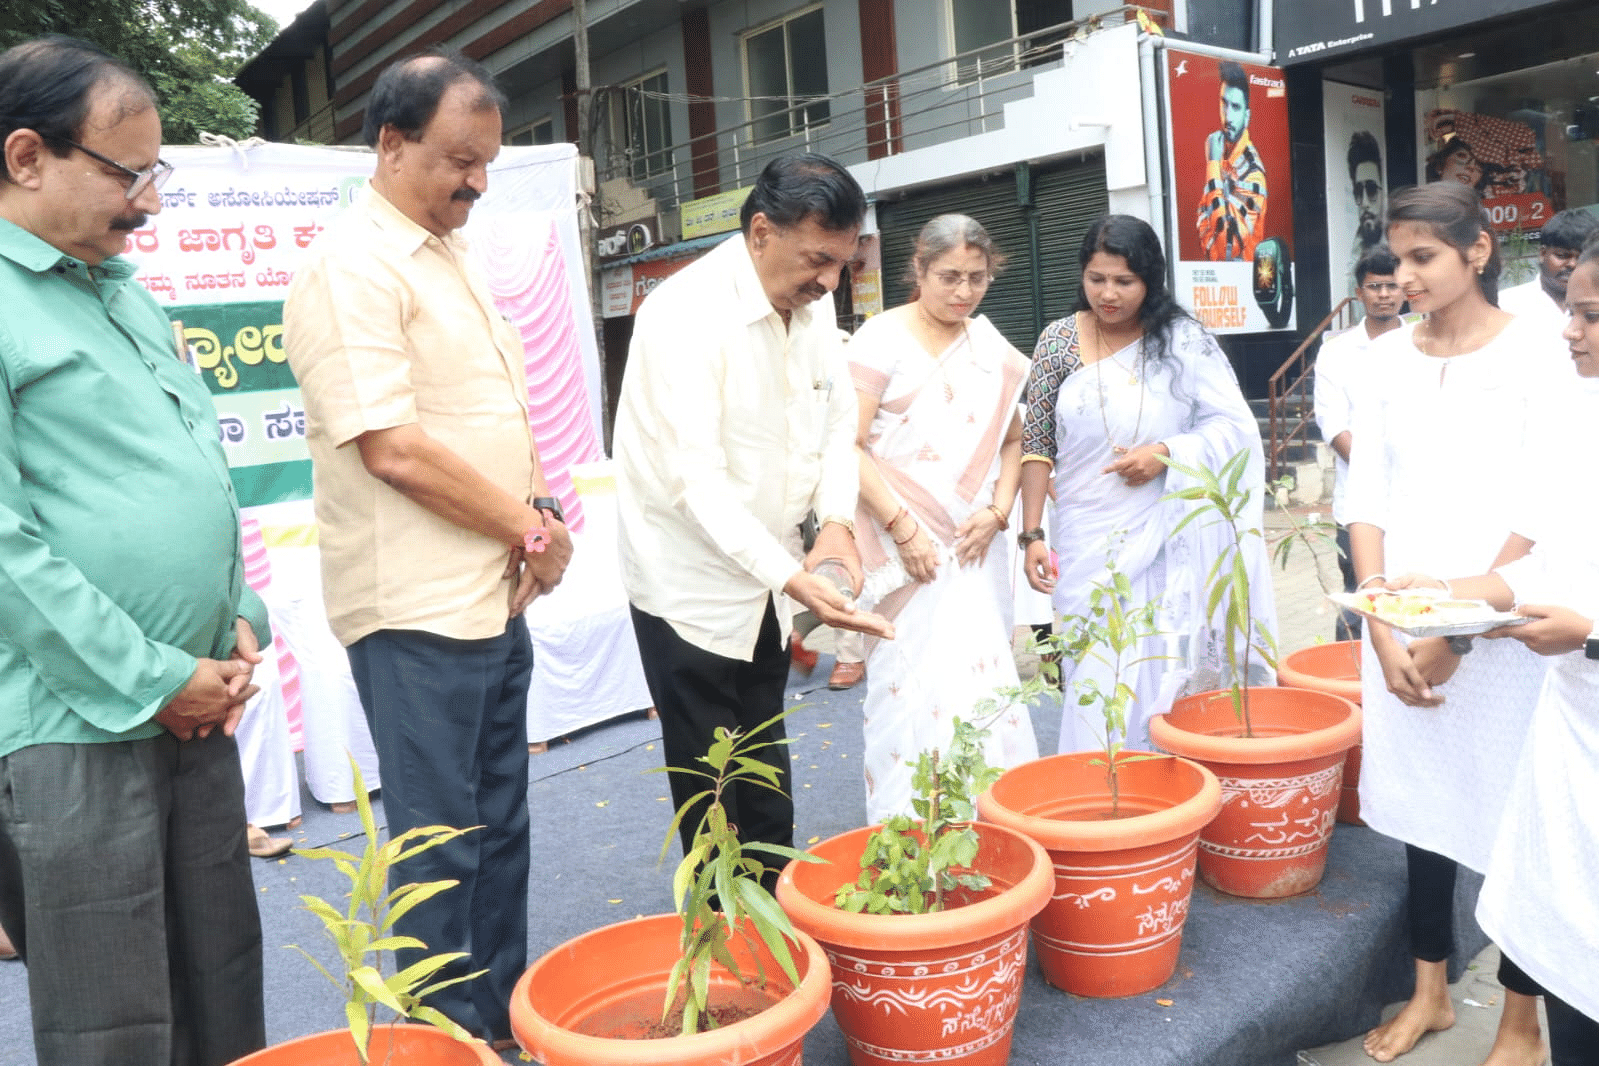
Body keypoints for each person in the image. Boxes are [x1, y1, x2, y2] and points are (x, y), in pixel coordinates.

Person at [283, 47, 571, 1048]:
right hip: (414, 613)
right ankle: (443, 1042)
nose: (477, 184)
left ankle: (496, 1030)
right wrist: (531, 528)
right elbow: (395, 448)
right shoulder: (350, 267)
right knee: (441, 852)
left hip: (492, 595)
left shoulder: (447, 255)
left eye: (488, 163)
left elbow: (489, 421)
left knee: (501, 835)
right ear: (392, 143)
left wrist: (539, 515)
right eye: (459, 160)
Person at [0, 35, 268, 1064]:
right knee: (113, 1016)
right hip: (77, 722)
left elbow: (199, 468)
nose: (149, 204)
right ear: (27, 156)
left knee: (221, 978)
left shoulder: (123, 293)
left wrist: (237, 614)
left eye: (157, 175)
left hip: (195, 707)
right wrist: (153, 676)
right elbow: (7, 551)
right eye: (128, 174)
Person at [615, 153, 893, 873]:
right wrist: (798, 580)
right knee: (710, 789)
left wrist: (834, 521)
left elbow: (834, 422)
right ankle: (723, 950)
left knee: (763, 763)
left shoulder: (810, 297)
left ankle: (775, 919)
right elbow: (695, 484)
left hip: (768, 579)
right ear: (761, 231)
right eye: (816, 260)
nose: (829, 280)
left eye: (840, 262)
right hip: (689, 586)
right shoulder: (682, 316)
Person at [1343, 182, 1556, 1066]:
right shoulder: (1385, 360)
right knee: (1422, 809)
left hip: (1503, 629)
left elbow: (1548, 504)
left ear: (1476, 251)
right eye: (1397, 259)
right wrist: (1383, 628)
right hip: (1395, 625)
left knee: (1523, 818)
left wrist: (1458, 629)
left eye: (1423, 256)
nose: (1405, 275)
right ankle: (1430, 990)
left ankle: (1517, 1017)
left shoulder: (1540, 351)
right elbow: (1364, 499)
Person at [1382, 239, 1599, 1066]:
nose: (1567, 329)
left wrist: (1588, 633)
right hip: (1570, 735)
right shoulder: (1584, 418)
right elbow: (1550, 561)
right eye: (1568, 308)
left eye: (1586, 314)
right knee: (1568, 960)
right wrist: (1443, 593)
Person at [1018, 214, 1274, 755]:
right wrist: (1032, 533)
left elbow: (1235, 427)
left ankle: (1169, 785)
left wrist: (1166, 454)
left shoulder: (1181, 340)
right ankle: (1100, 782)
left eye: (1124, 282)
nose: (1107, 294)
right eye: (1096, 278)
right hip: (1088, 534)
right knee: (1097, 667)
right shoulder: (1057, 341)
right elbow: (1036, 443)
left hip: (1165, 538)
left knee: (1160, 660)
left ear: (1150, 280)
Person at [846, 214, 1039, 822]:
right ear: (920, 270)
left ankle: (990, 823)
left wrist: (999, 510)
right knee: (905, 686)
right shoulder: (879, 339)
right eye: (949, 276)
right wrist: (904, 530)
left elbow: (1015, 439)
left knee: (980, 682)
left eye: (977, 278)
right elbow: (845, 445)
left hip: (972, 546)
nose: (963, 292)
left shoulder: (992, 351)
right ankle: (907, 829)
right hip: (898, 542)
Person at [1313, 246, 1408, 641]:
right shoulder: (1336, 351)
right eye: (1375, 287)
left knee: (1411, 594)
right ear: (1358, 293)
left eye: (1391, 286)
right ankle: (1351, 686)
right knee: (1359, 599)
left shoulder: (1422, 342)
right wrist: (1377, 473)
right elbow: (1332, 423)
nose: (1384, 294)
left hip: (1414, 496)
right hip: (1356, 502)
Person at [1197, 60, 1268, 262]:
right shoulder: (1223, 156)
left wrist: (1212, 165)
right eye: (1224, 103)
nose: (1227, 116)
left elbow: (1227, 244)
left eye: (1235, 107)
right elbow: (1201, 219)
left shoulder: (1254, 174)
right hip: (1223, 285)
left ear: (1247, 117)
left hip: (1245, 283)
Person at [1497, 208, 1599, 331]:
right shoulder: (1507, 304)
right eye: (1562, 255)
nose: (1572, 264)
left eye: (1581, 257)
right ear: (1542, 253)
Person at [1348, 130, 1386, 269]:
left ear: (1384, 193)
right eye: (1358, 192)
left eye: (1371, 190)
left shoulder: (1398, 243)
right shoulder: (1355, 251)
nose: (1364, 203)